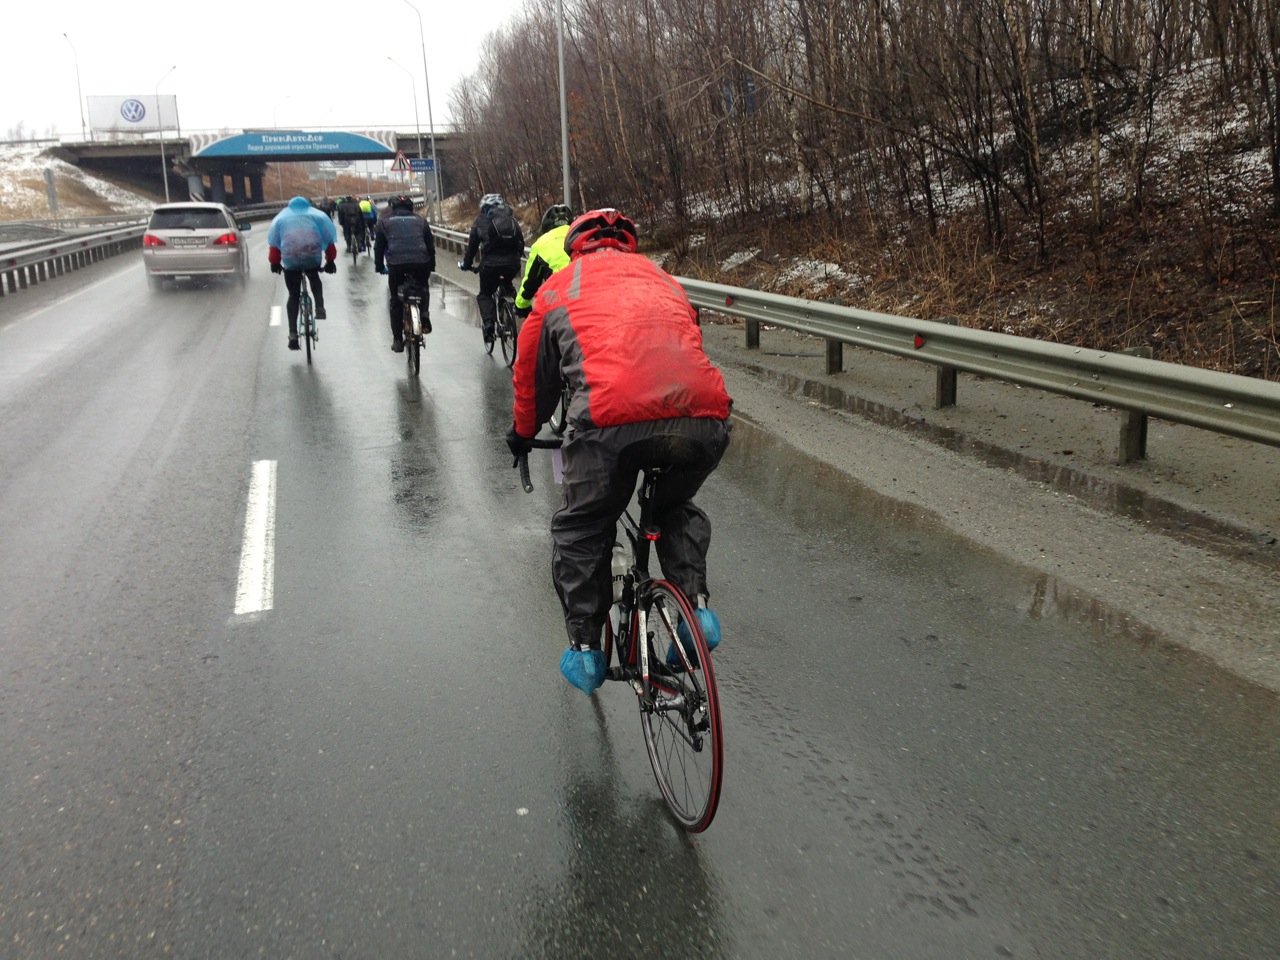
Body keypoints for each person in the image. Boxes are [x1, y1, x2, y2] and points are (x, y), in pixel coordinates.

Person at [506, 208, 733, 695]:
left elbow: (532, 377)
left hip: (608, 425)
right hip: (705, 418)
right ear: (629, 245)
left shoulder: (557, 289)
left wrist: (523, 432)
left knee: (582, 525)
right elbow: (688, 344)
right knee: (674, 506)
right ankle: (696, 611)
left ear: (574, 247)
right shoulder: (665, 281)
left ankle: (587, 651)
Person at [267, 196, 337, 350]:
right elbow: (329, 240)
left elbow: (274, 245)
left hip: (291, 261)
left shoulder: (281, 219)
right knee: (314, 276)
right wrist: (330, 261)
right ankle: (320, 307)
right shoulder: (317, 216)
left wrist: (275, 263)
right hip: (311, 257)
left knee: (293, 295)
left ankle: (293, 333)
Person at [374, 195, 437, 353]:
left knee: (396, 300)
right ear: (411, 208)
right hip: (420, 262)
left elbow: (379, 248)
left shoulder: (384, 221)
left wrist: (380, 266)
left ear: (393, 207)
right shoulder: (421, 221)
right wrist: (432, 265)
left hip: (396, 264)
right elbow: (430, 246)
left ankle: (397, 339)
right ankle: (423, 314)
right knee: (423, 287)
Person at [460, 193, 525, 344]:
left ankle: (489, 324)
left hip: (490, 266)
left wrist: (466, 264)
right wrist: (515, 259)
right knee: (507, 283)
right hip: (512, 264)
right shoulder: (511, 220)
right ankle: (510, 304)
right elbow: (520, 242)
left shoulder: (480, 221)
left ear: (484, 208)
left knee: (485, 294)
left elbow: (472, 247)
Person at [514, 203, 572, 319]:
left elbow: (531, 281)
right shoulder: (581, 236)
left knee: (533, 334)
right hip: (589, 298)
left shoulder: (541, 243)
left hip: (560, 301)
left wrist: (521, 305)